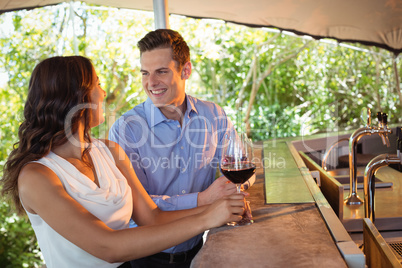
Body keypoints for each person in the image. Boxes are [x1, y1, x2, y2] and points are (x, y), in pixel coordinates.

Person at [0, 56, 247, 268]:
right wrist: (207, 218)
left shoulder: (108, 150)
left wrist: (222, 208)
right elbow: (108, 247)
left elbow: (152, 217)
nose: (104, 93)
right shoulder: (37, 176)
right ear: (75, 96)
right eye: (97, 84)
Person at [109, 29, 254, 267]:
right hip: (147, 258)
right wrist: (204, 199)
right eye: (145, 73)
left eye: (161, 72)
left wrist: (235, 193)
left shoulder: (213, 114)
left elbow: (240, 165)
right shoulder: (127, 129)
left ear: (185, 70)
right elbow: (138, 209)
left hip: (199, 250)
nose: (151, 83)